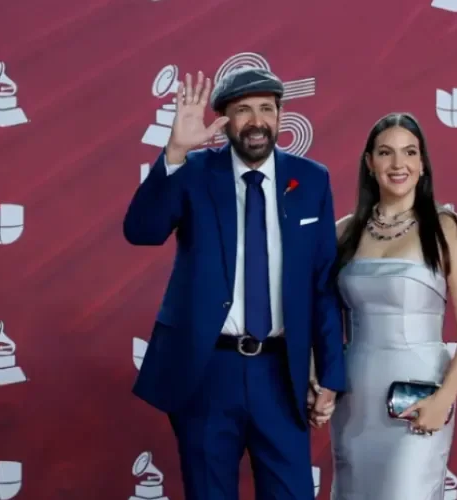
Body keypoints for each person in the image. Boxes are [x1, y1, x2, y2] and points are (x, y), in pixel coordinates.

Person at [123, 68, 345, 500]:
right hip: (207, 370)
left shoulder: (311, 180)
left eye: (266, 108)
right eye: (243, 110)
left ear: (281, 117)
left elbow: (322, 283)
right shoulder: (195, 171)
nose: (257, 120)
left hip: (280, 373)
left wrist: (331, 375)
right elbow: (141, 230)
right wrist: (173, 152)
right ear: (224, 120)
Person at [315, 112, 457, 499]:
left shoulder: (449, 229)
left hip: (420, 396)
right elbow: (321, 321)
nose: (399, 164)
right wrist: (319, 379)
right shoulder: (342, 232)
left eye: (410, 152)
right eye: (386, 153)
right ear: (369, 162)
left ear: (422, 163)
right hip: (354, 398)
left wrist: (444, 398)